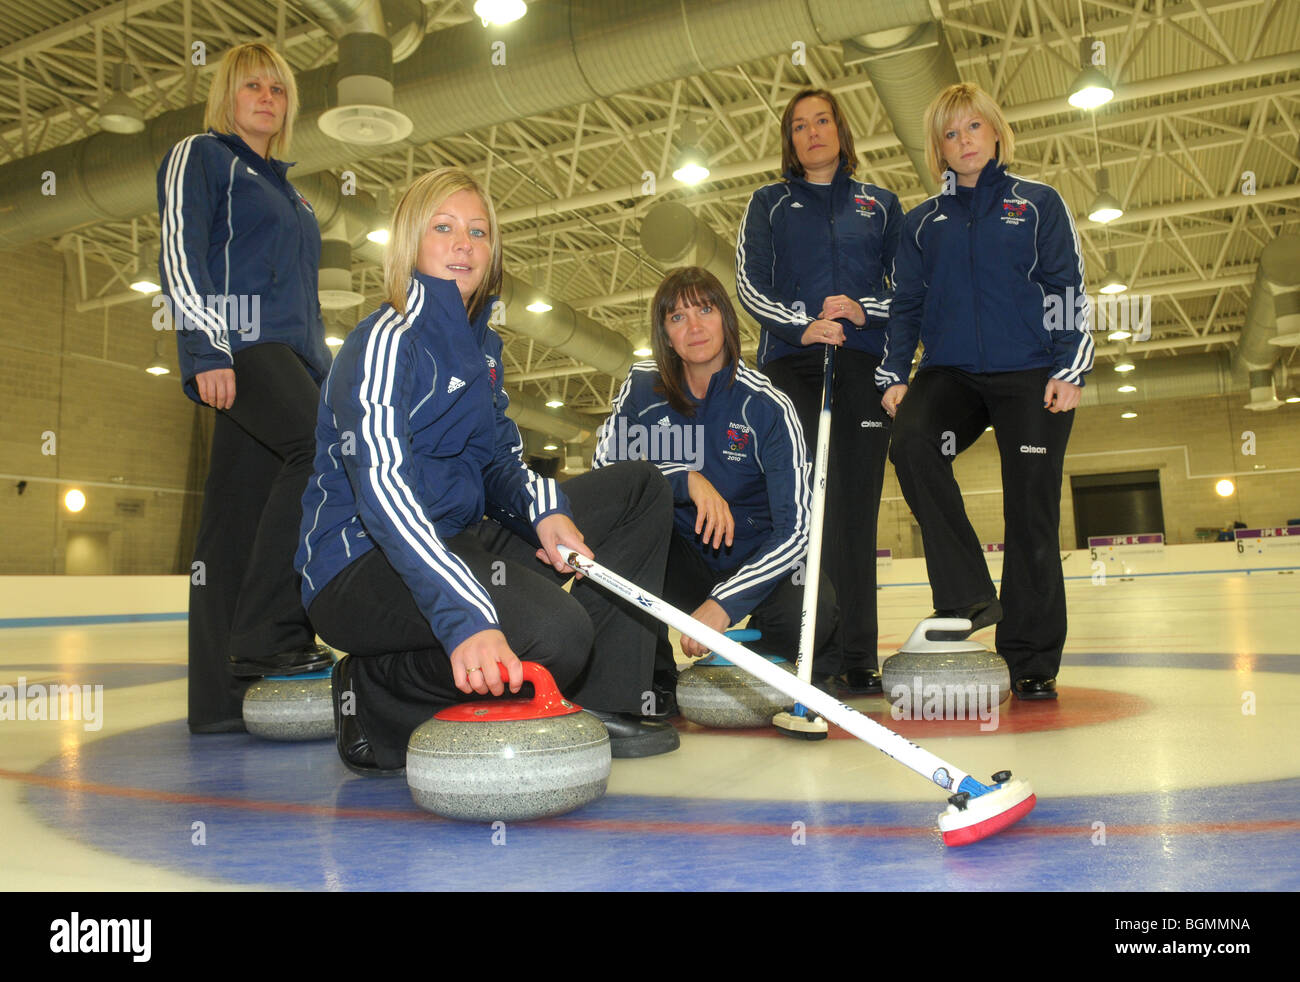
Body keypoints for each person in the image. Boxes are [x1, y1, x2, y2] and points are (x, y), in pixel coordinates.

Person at [296, 167, 677, 775]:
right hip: (362, 562)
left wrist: (544, 510)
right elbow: (385, 495)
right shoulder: (385, 343)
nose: (464, 244)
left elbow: (500, 460)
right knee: (557, 634)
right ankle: (375, 695)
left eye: (478, 231)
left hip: (456, 539)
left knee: (639, 489)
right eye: (443, 227)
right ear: (411, 243)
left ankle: (598, 700)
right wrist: (464, 617)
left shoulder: (483, 349)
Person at [875, 82, 1094, 700]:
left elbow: (1066, 288)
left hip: (1031, 374)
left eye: (973, 127)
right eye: (950, 133)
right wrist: (893, 374)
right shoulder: (922, 225)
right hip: (953, 374)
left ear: (995, 131)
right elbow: (907, 306)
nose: (964, 141)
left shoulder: (1038, 203)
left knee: (1031, 512)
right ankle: (969, 593)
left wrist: (1069, 368)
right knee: (912, 439)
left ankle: (1030, 659)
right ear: (938, 149)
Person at [157, 42, 334, 734]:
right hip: (242, 346)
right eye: (252, 86)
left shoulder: (293, 195)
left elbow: (306, 303)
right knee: (321, 454)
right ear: (227, 96)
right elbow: (181, 249)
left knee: (232, 524)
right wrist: (207, 348)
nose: (267, 97)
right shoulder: (200, 156)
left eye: (279, 89)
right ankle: (268, 631)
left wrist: (322, 373)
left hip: (289, 357)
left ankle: (217, 700)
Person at [593, 267, 840, 704]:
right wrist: (683, 479)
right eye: (677, 317)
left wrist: (725, 604)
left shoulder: (767, 405)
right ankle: (652, 681)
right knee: (617, 539)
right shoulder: (641, 388)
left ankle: (753, 664)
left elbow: (798, 528)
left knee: (811, 613)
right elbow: (607, 477)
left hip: (754, 561)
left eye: (705, 310)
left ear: (726, 319)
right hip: (680, 558)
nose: (694, 327)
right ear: (665, 335)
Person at [735, 88, 901, 694]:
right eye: (799, 125)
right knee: (805, 512)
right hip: (793, 366)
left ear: (840, 130)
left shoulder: (880, 205)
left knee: (855, 511)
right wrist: (801, 324)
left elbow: (909, 293)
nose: (812, 133)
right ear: (790, 139)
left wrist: (862, 310)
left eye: (822, 121)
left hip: (860, 366)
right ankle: (815, 650)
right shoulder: (768, 203)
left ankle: (859, 655)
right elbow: (749, 286)